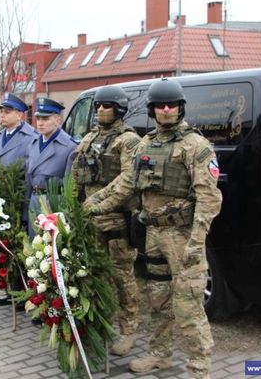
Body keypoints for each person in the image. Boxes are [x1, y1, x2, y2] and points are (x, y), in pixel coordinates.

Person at [85, 78, 222, 378]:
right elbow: (126, 183)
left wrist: (197, 242)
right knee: (158, 300)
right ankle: (160, 356)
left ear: (181, 107)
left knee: (187, 306)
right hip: (155, 236)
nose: (166, 109)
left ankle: (200, 369)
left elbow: (209, 198)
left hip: (184, 238)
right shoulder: (146, 145)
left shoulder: (195, 147)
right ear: (152, 109)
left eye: (172, 104)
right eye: (160, 105)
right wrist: (96, 203)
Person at [71, 85, 142, 356]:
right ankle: (101, 323)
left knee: (122, 276)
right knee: (93, 275)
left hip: (116, 222)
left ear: (119, 108)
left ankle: (129, 330)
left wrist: (99, 205)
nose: (101, 109)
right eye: (98, 105)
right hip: (89, 221)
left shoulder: (128, 140)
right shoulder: (88, 138)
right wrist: (74, 207)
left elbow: (129, 181)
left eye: (107, 105)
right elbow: (77, 175)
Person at [0, 93, 37, 307]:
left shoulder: (30, 137)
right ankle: (11, 291)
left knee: (20, 248)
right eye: (1, 111)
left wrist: (27, 202)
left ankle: (25, 294)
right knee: (5, 245)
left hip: (19, 199)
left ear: (19, 114)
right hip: (1, 200)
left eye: (7, 111)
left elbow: (30, 173)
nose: (2, 114)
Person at [26, 97, 77, 237]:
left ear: (57, 120)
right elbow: (28, 181)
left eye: (46, 119)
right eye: (38, 119)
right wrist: (26, 211)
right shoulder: (33, 143)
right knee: (34, 247)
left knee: (51, 251)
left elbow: (69, 187)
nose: (40, 123)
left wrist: (66, 216)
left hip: (54, 205)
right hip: (34, 201)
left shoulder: (69, 147)